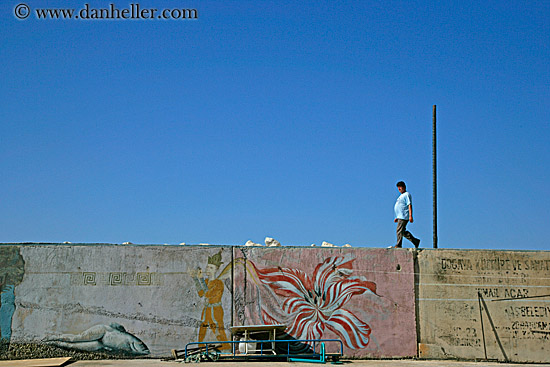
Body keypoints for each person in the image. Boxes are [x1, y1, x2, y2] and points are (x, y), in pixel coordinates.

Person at [391, 181, 420, 248]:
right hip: (400, 216)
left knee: (399, 230)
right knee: (402, 232)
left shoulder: (406, 194)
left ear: (404, 187)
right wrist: (397, 217)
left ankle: (399, 245)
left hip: (403, 216)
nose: (399, 189)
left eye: (400, 187)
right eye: (398, 188)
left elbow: (409, 205)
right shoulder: (400, 196)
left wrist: (410, 216)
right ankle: (415, 241)